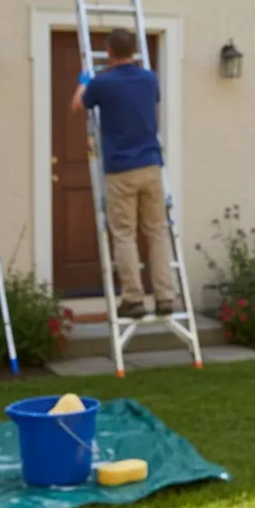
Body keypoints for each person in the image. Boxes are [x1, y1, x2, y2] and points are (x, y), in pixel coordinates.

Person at [70, 29, 176, 319]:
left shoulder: (102, 83)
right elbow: (151, 102)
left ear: (108, 51)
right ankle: (166, 296)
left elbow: (77, 105)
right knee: (157, 232)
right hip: (152, 166)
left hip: (121, 170)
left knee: (124, 235)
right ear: (133, 51)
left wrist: (84, 82)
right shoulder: (149, 79)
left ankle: (134, 299)